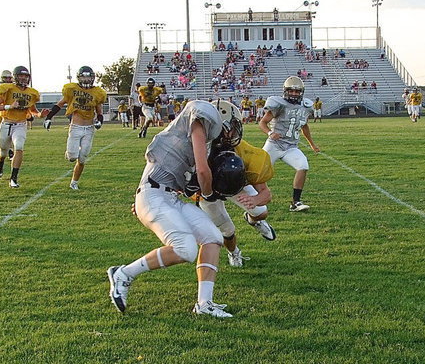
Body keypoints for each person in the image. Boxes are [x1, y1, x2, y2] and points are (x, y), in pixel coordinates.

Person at [106, 100, 245, 318]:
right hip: (154, 194)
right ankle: (123, 273)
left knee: (213, 237)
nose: (231, 134)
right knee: (185, 249)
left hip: (168, 197)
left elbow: (191, 181)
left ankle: (204, 303)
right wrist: (208, 193)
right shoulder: (202, 118)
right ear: (220, 118)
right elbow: (202, 171)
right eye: (231, 127)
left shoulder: (201, 142)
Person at [198, 101, 277, 267]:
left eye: (227, 129)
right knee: (227, 230)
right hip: (207, 191)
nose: (224, 134)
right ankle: (234, 252)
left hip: (236, 186)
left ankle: (254, 220)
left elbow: (265, 193)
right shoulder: (193, 150)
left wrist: (255, 201)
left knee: (261, 212)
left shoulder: (244, 151)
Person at [259, 76, 321, 211]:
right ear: (285, 91)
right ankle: (251, 199)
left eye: (297, 91)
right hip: (274, 145)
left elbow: (304, 126)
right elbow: (262, 123)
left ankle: (295, 202)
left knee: (303, 166)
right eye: (291, 91)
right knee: (258, 172)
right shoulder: (278, 104)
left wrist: (312, 144)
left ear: (301, 92)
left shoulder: (305, 106)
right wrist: (270, 133)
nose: (294, 94)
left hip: (291, 147)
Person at [44, 66, 107, 190]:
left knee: (82, 158)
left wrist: (100, 121)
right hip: (76, 127)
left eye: (89, 76)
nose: (86, 79)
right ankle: (69, 153)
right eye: (84, 76)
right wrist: (49, 117)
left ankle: (74, 182)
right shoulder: (72, 89)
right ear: (79, 77)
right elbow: (60, 104)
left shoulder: (98, 92)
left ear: (93, 78)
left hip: (89, 128)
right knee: (73, 157)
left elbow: (99, 111)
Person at [0, 66, 46, 188]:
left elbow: (32, 110)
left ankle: (13, 178)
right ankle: (0, 163)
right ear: (15, 77)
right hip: (6, 123)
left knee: (19, 148)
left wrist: (39, 114)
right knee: (3, 152)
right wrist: (9, 106)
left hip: (21, 124)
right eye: (21, 76)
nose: (24, 78)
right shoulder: (7, 88)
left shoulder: (31, 92)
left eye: (26, 76)